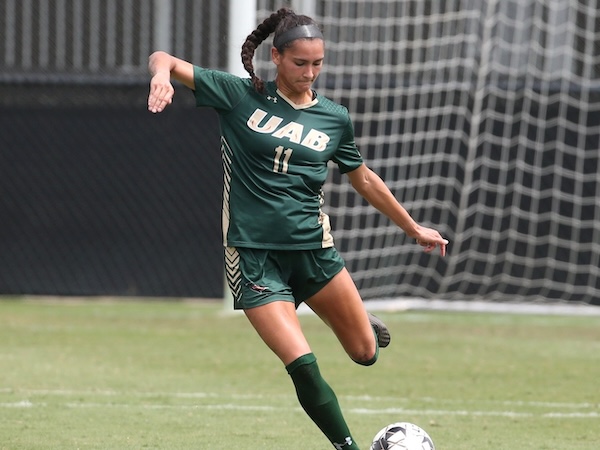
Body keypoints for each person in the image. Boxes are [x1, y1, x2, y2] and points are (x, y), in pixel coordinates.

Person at [147, 7, 448, 449]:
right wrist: (161, 77)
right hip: (254, 256)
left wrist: (413, 227)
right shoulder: (239, 95)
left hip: (314, 251)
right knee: (302, 364)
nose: (309, 73)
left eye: (317, 63)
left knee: (365, 353)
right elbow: (164, 58)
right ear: (276, 57)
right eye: (300, 63)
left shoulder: (334, 117)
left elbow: (363, 178)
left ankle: (348, 314)